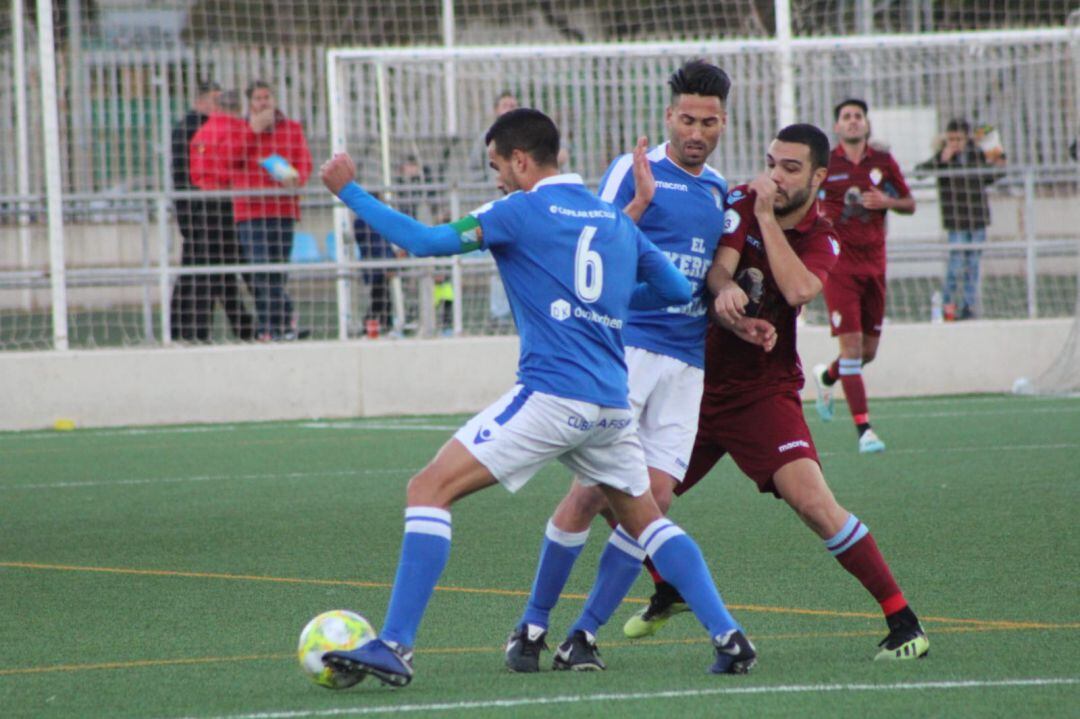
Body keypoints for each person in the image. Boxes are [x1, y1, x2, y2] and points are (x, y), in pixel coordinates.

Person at [317, 108, 757, 688]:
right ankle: (730, 638)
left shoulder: (518, 210)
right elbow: (677, 289)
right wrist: (615, 292)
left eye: (498, 166)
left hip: (553, 396)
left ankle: (396, 644)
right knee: (646, 520)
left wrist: (348, 190)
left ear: (521, 161)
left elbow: (424, 242)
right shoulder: (614, 221)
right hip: (610, 407)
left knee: (428, 488)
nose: (497, 178)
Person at [622, 123, 930, 662]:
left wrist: (768, 218)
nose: (775, 176)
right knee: (620, 494)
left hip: (761, 395)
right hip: (692, 387)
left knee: (813, 504)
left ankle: (903, 621)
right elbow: (718, 270)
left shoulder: (822, 235)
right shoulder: (738, 200)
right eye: (771, 163)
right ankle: (668, 586)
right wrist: (725, 293)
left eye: (790, 168)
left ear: (817, 177)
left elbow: (796, 290)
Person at [502, 60, 765, 673]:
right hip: (630, 351)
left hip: (686, 362)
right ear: (668, 117)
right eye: (687, 119)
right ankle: (533, 628)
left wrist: (733, 310)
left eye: (710, 121)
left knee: (658, 500)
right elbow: (594, 243)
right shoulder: (634, 171)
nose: (697, 132)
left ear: (723, 122)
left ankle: (583, 636)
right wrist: (641, 204)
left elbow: (704, 279)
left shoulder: (716, 191)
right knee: (593, 492)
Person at [812, 98, 915, 454]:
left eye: (858, 116)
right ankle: (865, 430)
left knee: (867, 352)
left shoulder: (882, 162)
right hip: (840, 267)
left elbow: (909, 203)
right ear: (837, 127)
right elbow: (807, 200)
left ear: (866, 125)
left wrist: (887, 203)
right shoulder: (825, 163)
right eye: (846, 117)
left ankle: (827, 377)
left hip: (875, 265)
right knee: (853, 347)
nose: (853, 121)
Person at [169, 82, 255, 342]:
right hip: (206, 213)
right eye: (217, 101)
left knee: (215, 274)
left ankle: (241, 328)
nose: (221, 107)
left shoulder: (203, 127)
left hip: (203, 212)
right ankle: (195, 331)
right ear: (203, 100)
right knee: (208, 275)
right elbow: (193, 174)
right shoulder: (195, 129)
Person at [233, 80, 313, 341]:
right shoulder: (240, 129)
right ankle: (272, 326)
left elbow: (304, 162)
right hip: (251, 212)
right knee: (260, 269)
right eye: (258, 98)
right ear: (250, 103)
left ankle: (278, 326)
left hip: (283, 209)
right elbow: (230, 159)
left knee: (277, 271)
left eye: (267, 97)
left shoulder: (291, 129)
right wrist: (252, 133)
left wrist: (296, 179)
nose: (264, 102)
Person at [915, 118, 1006, 320]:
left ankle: (968, 307)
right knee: (955, 265)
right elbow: (920, 172)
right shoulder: (943, 157)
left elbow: (992, 176)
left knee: (973, 266)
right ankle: (947, 304)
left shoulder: (977, 155)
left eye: (959, 139)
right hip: (956, 222)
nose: (955, 143)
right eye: (951, 139)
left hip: (977, 219)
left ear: (967, 139)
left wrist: (1000, 163)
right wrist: (942, 160)